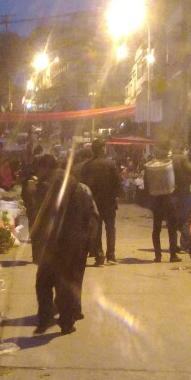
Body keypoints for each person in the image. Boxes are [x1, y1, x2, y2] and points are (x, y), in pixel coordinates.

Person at [31, 168, 99, 334]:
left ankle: (46, 318)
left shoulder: (48, 192)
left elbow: (38, 218)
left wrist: (37, 245)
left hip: (51, 246)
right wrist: (91, 243)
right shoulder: (82, 190)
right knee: (68, 283)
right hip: (74, 245)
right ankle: (67, 320)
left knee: (44, 283)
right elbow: (93, 216)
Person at [80, 138, 123, 265]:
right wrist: (115, 195)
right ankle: (111, 256)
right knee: (110, 229)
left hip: (94, 203)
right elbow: (118, 182)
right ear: (103, 148)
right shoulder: (111, 164)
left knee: (97, 230)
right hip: (109, 202)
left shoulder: (87, 166)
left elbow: (83, 185)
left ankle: (99, 256)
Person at [143, 142, 180, 263]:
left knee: (157, 228)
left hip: (156, 200)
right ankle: (173, 255)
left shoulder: (150, 167)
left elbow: (146, 184)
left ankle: (158, 256)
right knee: (172, 228)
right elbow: (176, 181)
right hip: (169, 198)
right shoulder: (170, 165)